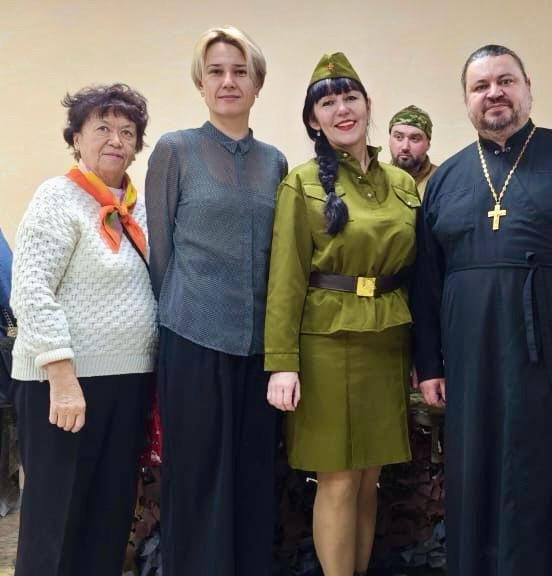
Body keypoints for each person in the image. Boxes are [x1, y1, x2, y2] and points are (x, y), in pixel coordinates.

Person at [411, 44, 552, 575]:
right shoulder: (445, 179)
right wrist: (429, 363)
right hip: (474, 359)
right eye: (480, 86)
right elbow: (426, 282)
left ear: (527, 88)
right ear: (466, 99)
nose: (494, 93)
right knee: (481, 471)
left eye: (505, 81)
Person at [264, 53, 418, 576]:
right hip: (327, 344)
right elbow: (285, 278)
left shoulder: (401, 184)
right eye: (327, 103)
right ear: (313, 119)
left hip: (388, 339)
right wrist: (281, 362)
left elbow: (418, 272)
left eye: (350, 98)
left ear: (368, 105)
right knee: (337, 478)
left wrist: (425, 354)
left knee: (370, 476)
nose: (342, 110)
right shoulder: (302, 183)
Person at [145, 26, 287, 576]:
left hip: (257, 347)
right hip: (192, 339)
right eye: (216, 72)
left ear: (257, 85)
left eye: (240, 72)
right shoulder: (175, 150)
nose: (228, 81)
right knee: (197, 477)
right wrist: (180, 315)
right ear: (201, 84)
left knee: (254, 476)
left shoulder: (274, 162)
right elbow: (161, 252)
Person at [10, 83, 156, 575]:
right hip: (64, 384)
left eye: (127, 131)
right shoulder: (58, 197)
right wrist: (62, 375)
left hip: (128, 382)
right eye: (103, 128)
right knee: (57, 518)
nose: (116, 140)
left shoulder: (139, 207)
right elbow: (31, 289)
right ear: (76, 138)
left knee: (109, 518)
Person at [388, 105, 437, 198]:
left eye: (414, 138)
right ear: (389, 141)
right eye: (398, 137)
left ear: (428, 144)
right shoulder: (376, 180)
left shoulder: (442, 181)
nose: (405, 147)